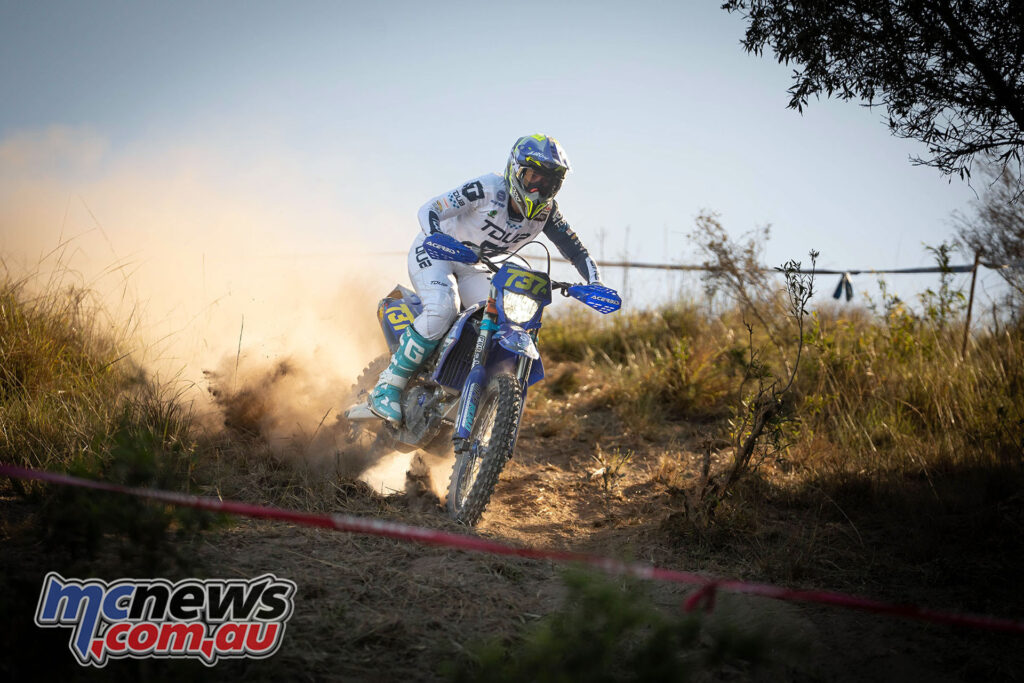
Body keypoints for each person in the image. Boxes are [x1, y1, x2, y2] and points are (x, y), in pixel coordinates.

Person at [368, 134, 604, 424]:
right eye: (533, 177)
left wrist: (596, 284)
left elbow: (579, 253)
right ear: (515, 170)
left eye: (548, 183)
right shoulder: (489, 188)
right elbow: (430, 209)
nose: (538, 189)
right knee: (443, 307)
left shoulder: (548, 213)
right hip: (437, 251)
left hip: (475, 266)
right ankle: (386, 387)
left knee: (497, 316)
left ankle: (457, 388)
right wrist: (436, 236)